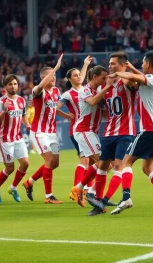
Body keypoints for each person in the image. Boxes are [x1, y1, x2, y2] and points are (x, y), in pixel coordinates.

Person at [107, 52, 153, 216]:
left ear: (149, 64)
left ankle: (126, 197)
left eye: (143, 63)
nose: (142, 65)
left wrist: (118, 72)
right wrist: (130, 67)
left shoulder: (150, 80)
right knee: (147, 167)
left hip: (149, 130)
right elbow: (140, 76)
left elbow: (138, 78)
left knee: (126, 162)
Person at [86, 52, 139, 216]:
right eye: (109, 63)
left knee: (118, 165)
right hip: (108, 131)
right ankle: (99, 201)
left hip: (125, 131)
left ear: (122, 65)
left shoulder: (127, 81)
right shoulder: (103, 86)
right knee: (102, 166)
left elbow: (138, 79)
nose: (110, 66)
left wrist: (128, 69)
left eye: (114, 64)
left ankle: (103, 200)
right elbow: (101, 107)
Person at [22, 54, 71, 204]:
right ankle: (49, 196)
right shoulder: (38, 91)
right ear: (44, 77)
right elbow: (39, 88)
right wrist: (55, 67)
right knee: (49, 160)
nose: (54, 78)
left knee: (54, 163)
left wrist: (68, 116)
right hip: (39, 132)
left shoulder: (56, 91)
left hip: (52, 133)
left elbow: (54, 109)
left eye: (55, 75)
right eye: (52, 75)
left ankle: (29, 182)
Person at [70, 65, 115, 211]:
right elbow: (92, 102)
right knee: (105, 163)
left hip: (91, 132)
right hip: (84, 131)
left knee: (108, 164)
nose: (105, 80)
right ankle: (89, 192)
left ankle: (85, 190)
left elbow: (101, 113)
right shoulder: (85, 90)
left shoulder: (97, 91)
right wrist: (108, 87)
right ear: (94, 77)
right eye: (103, 77)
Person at [57, 56, 92, 199]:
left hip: (88, 130)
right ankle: (76, 189)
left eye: (79, 75)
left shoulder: (85, 89)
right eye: (75, 75)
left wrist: (84, 64)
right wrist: (67, 116)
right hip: (77, 130)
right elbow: (55, 109)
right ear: (70, 79)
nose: (79, 77)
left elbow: (83, 76)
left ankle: (86, 189)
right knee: (85, 160)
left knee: (90, 160)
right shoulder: (68, 94)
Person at [0, 74, 30, 203]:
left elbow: (23, 115)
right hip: (5, 138)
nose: (13, 86)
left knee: (25, 163)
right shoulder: (1, 101)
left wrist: (28, 124)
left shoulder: (21, 100)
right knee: (10, 168)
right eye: (10, 84)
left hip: (17, 137)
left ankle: (13, 188)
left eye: (15, 84)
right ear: (5, 87)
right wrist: (5, 111)